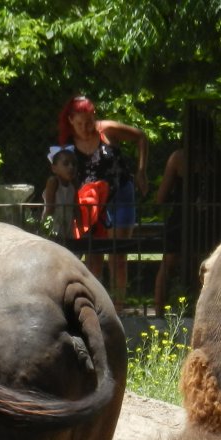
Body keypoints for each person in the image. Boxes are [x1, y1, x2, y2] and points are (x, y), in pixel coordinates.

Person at [58, 95, 148, 310]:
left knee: (118, 256)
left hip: (120, 195)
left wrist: (141, 172)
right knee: (93, 257)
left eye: (89, 121)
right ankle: (93, 308)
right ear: (70, 120)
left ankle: (118, 309)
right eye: (80, 123)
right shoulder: (67, 144)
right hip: (91, 202)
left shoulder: (106, 129)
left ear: (94, 116)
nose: (85, 127)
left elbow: (141, 138)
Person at [153, 113, 221, 316]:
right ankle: (202, 313)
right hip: (207, 221)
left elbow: (160, 198)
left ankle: (159, 314)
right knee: (207, 265)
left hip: (190, 220)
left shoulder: (179, 158)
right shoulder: (218, 159)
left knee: (172, 263)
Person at [41, 145, 79, 240]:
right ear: (54, 168)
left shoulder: (73, 184)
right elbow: (49, 208)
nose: (71, 167)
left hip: (68, 230)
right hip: (53, 229)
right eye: (66, 164)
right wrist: (45, 231)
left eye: (74, 164)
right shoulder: (53, 182)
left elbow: (76, 210)